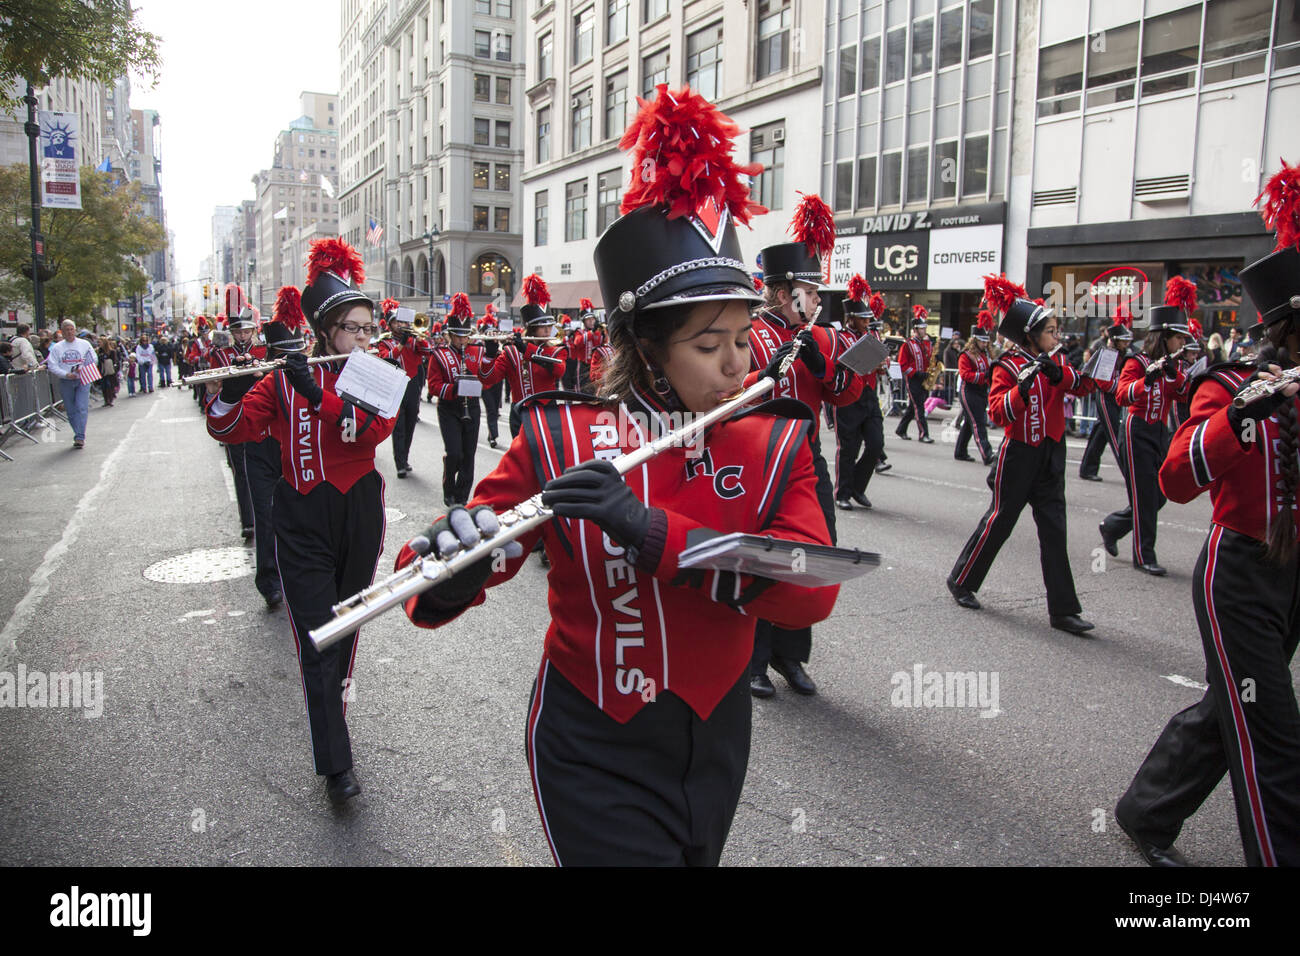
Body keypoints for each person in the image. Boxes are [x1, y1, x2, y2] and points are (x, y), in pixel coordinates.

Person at [394, 85, 839, 865]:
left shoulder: (778, 441)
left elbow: (809, 589)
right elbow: (441, 577)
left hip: (715, 735)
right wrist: (449, 560)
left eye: (743, 338)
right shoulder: (561, 433)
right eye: (710, 346)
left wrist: (648, 529)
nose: (740, 365)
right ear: (646, 348)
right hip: (591, 740)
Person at [1116, 173, 1300, 866]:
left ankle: (1146, 810)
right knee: (1275, 736)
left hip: (1292, 576)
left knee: (1237, 709)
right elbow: (1177, 477)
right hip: (1241, 575)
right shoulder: (1226, 387)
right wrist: (1241, 414)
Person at [206, 238, 395, 804]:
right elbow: (229, 432)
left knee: (346, 627)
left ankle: (332, 702)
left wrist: (324, 397)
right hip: (301, 516)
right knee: (317, 639)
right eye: (354, 328)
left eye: (369, 327)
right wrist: (226, 394)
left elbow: (372, 431)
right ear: (326, 331)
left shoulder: (374, 373)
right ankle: (336, 764)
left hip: (359, 509)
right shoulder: (284, 378)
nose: (365, 337)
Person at [746, 192, 862, 698]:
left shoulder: (825, 337)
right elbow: (724, 390)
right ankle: (752, 659)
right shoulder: (748, 332)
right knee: (765, 555)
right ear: (782, 292)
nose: (816, 302)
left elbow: (850, 392)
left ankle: (792, 656)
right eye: (808, 293)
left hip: (806, 456)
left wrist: (825, 365)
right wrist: (761, 375)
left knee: (812, 553)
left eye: (816, 295)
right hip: (757, 456)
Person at [946, 276, 1095, 635]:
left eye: (1057, 331)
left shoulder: (1057, 361)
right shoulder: (1008, 366)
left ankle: (1063, 611)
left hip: (1051, 453)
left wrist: (1061, 374)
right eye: (1051, 332)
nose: (1057, 338)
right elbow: (998, 413)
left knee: (1055, 531)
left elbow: (1088, 385)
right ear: (1030, 335)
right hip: (1018, 455)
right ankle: (962, 579)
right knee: (1000, 521)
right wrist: (1021, 391)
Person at [1099, 278, 1196, 576]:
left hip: (1159, 432)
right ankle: (1144, 555)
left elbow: (1183, 395)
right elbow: (1122, 393)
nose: (1183, 344)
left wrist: (1174, 376)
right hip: (1136, 429)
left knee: (1161, 493)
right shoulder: (1137, 361)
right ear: (1165, 336)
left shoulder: (1173, 365)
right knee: (1144, 496)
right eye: (1179, 338)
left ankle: (1113, 525)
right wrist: (1148, 380)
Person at [477, 274, 568, 439]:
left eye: (550, 326)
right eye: (543, 327)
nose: (548, 331)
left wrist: (528, 349)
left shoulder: (556, 351)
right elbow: (487, 379)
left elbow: (559, 370)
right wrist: (489, 355)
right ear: (532, 330)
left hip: (547, 413)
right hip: (520, 414)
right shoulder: (511, 352)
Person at [207, 299, 264, 546]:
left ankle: (265, 517)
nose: (242, 335)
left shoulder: (264, 352)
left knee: (264, 468)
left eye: (246, 331)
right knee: (239, 469)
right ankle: (248, 522)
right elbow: (212, 387)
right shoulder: (221, 355)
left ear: (254, 331)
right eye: (238, 331)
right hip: (234, 414)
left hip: (260, 415)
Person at [832, 276, 887, 510]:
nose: (867, 323)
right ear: (852, 318)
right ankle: (842, 492)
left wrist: (881, 365)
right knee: (849, 449)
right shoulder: (840, 337)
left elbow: (876, 364)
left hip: (869, 395)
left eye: (868, 318)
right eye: (863, 319)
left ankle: (857, 487)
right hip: (848, 397)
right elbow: (838, 365)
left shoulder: (871, 337)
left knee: (876, 444)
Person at [425, 293, 485, 506]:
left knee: (469, 455)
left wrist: (493, 356)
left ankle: (461, 497)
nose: (462, 340)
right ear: (449, 335)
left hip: (473, 406)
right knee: (454, 453)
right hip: (450, 408)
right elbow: (433, 386)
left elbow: (489, 375)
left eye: (465, 336)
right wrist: (453, 388)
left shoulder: (478, 352)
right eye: (458, 336)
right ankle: (448, 487)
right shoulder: (438, 355)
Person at [378, 297, 435, 479]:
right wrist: (402, 343)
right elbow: (388, 358)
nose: (400, 325)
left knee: (410, 423)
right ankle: (399, 463)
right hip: (395, 385)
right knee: (399, 425)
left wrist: (418, 339)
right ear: (389, 324)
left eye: (402, 321)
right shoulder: (384, 341)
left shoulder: (413, 339)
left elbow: (428, 353)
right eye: (396, 322)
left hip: (412, 385)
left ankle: (405, 458)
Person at [1078, 313, 1134, 482]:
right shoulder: (1107, 355)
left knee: (1099, 435)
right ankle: (1129, 471)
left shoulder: (1123, 355)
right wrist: (1122, 387)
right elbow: (1103, 382)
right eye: (1123, 341)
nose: (1127, 344)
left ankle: (1087, 468)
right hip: (1106, 397)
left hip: (1113, 396)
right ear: (1115, 340)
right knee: (1115, 435)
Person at [46, 319, 97, 449]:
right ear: (62, 332)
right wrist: (65, 374)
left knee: (81, 407)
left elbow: (93, 358)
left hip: (83, 380)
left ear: (75, 330)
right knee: (71, 410)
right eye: (66, 330)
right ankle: (77, 431)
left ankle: (80, 436)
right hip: (66, 381)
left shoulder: (84, 344)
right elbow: (52, 365)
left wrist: (84, 367)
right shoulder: (57, 347)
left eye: (71, 329)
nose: (69, 332)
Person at [954, 310, 996, 466]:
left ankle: (960, 451)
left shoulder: (985, 354)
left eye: (986, 341)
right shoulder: (965, 355)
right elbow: (965, 374)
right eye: (982, 341)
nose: (985, 344)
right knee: (979, 422)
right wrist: (984, 376)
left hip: (980, 391)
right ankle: (988, 454)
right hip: (969, 391)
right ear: (975, 340)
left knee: (969, 423)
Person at [895, 306, 935, 442]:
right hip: (913, 380)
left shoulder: (928, 343)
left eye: (925, 328)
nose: (924, 331)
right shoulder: (907, 344)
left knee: (914, 408)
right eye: (922, 328)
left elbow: (930, 360)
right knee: (919, 407)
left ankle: (901, 429)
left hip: (925, 379)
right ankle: (924, 434)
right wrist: (916, 374)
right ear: (915, 330)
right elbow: (902, 365)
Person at [570, 299, 606, 394]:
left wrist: (604, 334)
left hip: (596, 366)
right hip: (583, 366)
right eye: (588, 320)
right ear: (584, 321)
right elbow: (577, 342)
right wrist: (592, 332)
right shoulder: (579, 332)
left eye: (592, 319)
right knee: (583, 391)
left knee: (597, 390)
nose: (591, 322)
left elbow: (603, 344)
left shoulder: (599, 332)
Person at [96, 335, 119, 406]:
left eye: (100, 342)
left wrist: (115, 369)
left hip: (110, 371)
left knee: (109, 385)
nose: (99, 344)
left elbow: (115, 361)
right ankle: (106, 400)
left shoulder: (112, 351)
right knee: (103, 386)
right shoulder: (99, 351)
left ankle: (110, 399)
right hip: (102, 371)